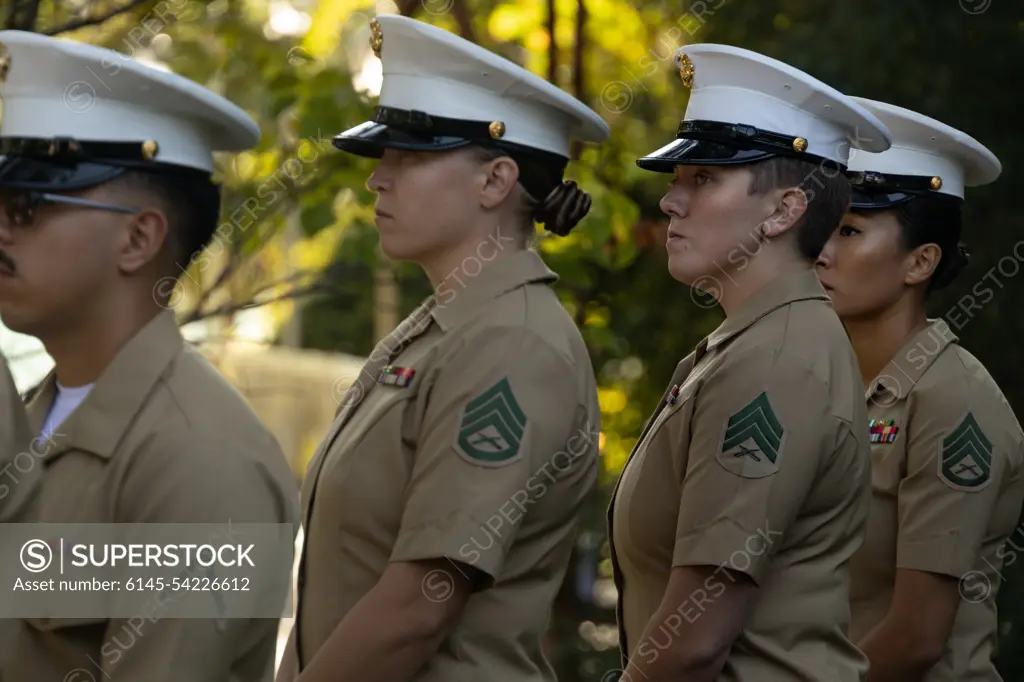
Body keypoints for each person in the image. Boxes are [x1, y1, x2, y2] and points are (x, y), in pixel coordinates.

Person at [276, 14, 608, 682]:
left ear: (495, 181)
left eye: (410, 157)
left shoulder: (510, 344)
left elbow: (417, 610)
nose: (377, 179)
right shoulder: (446, 326)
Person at [0, 30, 298, 681]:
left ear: (138, 239)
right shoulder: (39, 413)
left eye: (29, 202)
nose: (2, 225)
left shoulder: (203, 460)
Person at [607, 44, 894, 682]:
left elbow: (695, 640)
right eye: (677, 180)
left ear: (785, 209)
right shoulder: (753, 342)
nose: (670, 203)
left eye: (703, 179)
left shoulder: (775, 359)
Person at [816, 98, 1024, 682]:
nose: (821, 252)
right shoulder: (823, 380)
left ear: (920, 262)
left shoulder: (953, 401)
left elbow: (916, 638)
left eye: (850, 230)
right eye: (821, 229)